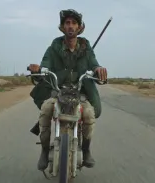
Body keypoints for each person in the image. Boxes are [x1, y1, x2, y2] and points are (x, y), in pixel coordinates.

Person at [28, 9, 107, 171]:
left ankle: (86, 150)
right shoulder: (54, 47)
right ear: (62, 27)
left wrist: (98, 69)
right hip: (58, 91)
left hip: (80, 92)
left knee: (89, 114)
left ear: (79, 27)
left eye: (74, 23)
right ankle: (44, 151)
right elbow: (46, 64)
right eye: (67, 23)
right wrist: (38, 69)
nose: (70, 26)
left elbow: (93, 63)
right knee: (46, 110)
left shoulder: (86, 47)